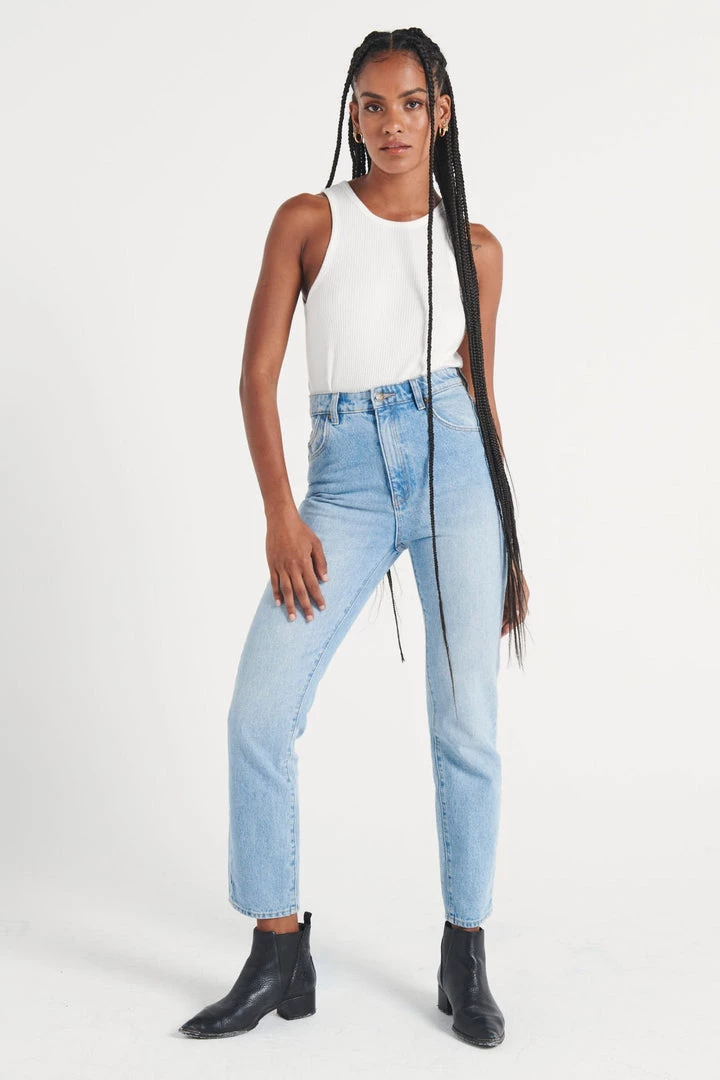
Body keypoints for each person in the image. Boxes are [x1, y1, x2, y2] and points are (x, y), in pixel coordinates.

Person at [178, 26, 530, 1049]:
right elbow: (255, 378)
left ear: (441, 113)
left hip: (457, 471)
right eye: (372, 105)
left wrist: (512, 540)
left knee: (466, 724)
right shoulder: (310, 220)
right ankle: (279, 949)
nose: (391, 124)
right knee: (259, 711)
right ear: (353, 114)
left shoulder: (477, 249)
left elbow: (482, 395)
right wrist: (279, 513)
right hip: (343, 481)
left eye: (410, 104)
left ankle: (465, 955)